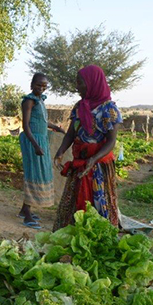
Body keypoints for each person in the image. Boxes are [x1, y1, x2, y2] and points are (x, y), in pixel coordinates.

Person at [53, 65, 122, 230]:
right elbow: (71, 133)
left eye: (80, 82)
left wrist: (93, 159)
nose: (77, 87)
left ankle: (100, 238)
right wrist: (60, 151)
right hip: (80, 164)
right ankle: (72, 236)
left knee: (98, 202)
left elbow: (111, 142)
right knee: (74, 202)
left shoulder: (109, 110)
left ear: (92, 83)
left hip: (98, 166)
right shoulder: (79, 107)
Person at [18, 73, 65, 229]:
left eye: (44, 86)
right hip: (33, 141)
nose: (41, 88)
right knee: (34, 173)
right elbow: (26, 126)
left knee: (39, 173)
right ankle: (28, 215)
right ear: (32, 84)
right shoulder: (29, 101)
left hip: (40, 141)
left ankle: (25, 209)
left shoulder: (40, 101)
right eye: (39, 85)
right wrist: (36, 146)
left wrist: (56, 127)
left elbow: (42, 121)